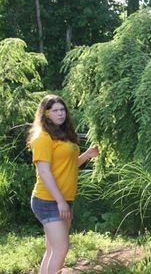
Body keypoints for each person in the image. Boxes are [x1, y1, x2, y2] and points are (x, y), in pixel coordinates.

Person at [27, 94, 99, 274]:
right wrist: (60, 201)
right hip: (48, 200)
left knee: (52, 249)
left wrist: (88, 155)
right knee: (61, 249)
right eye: (55, 110)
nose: (60, 113)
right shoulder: (42, 137)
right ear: (46, 114)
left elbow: (69, 164)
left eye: (62, 110)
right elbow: (44, 171)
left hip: (64, 199)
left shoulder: (64, 135)